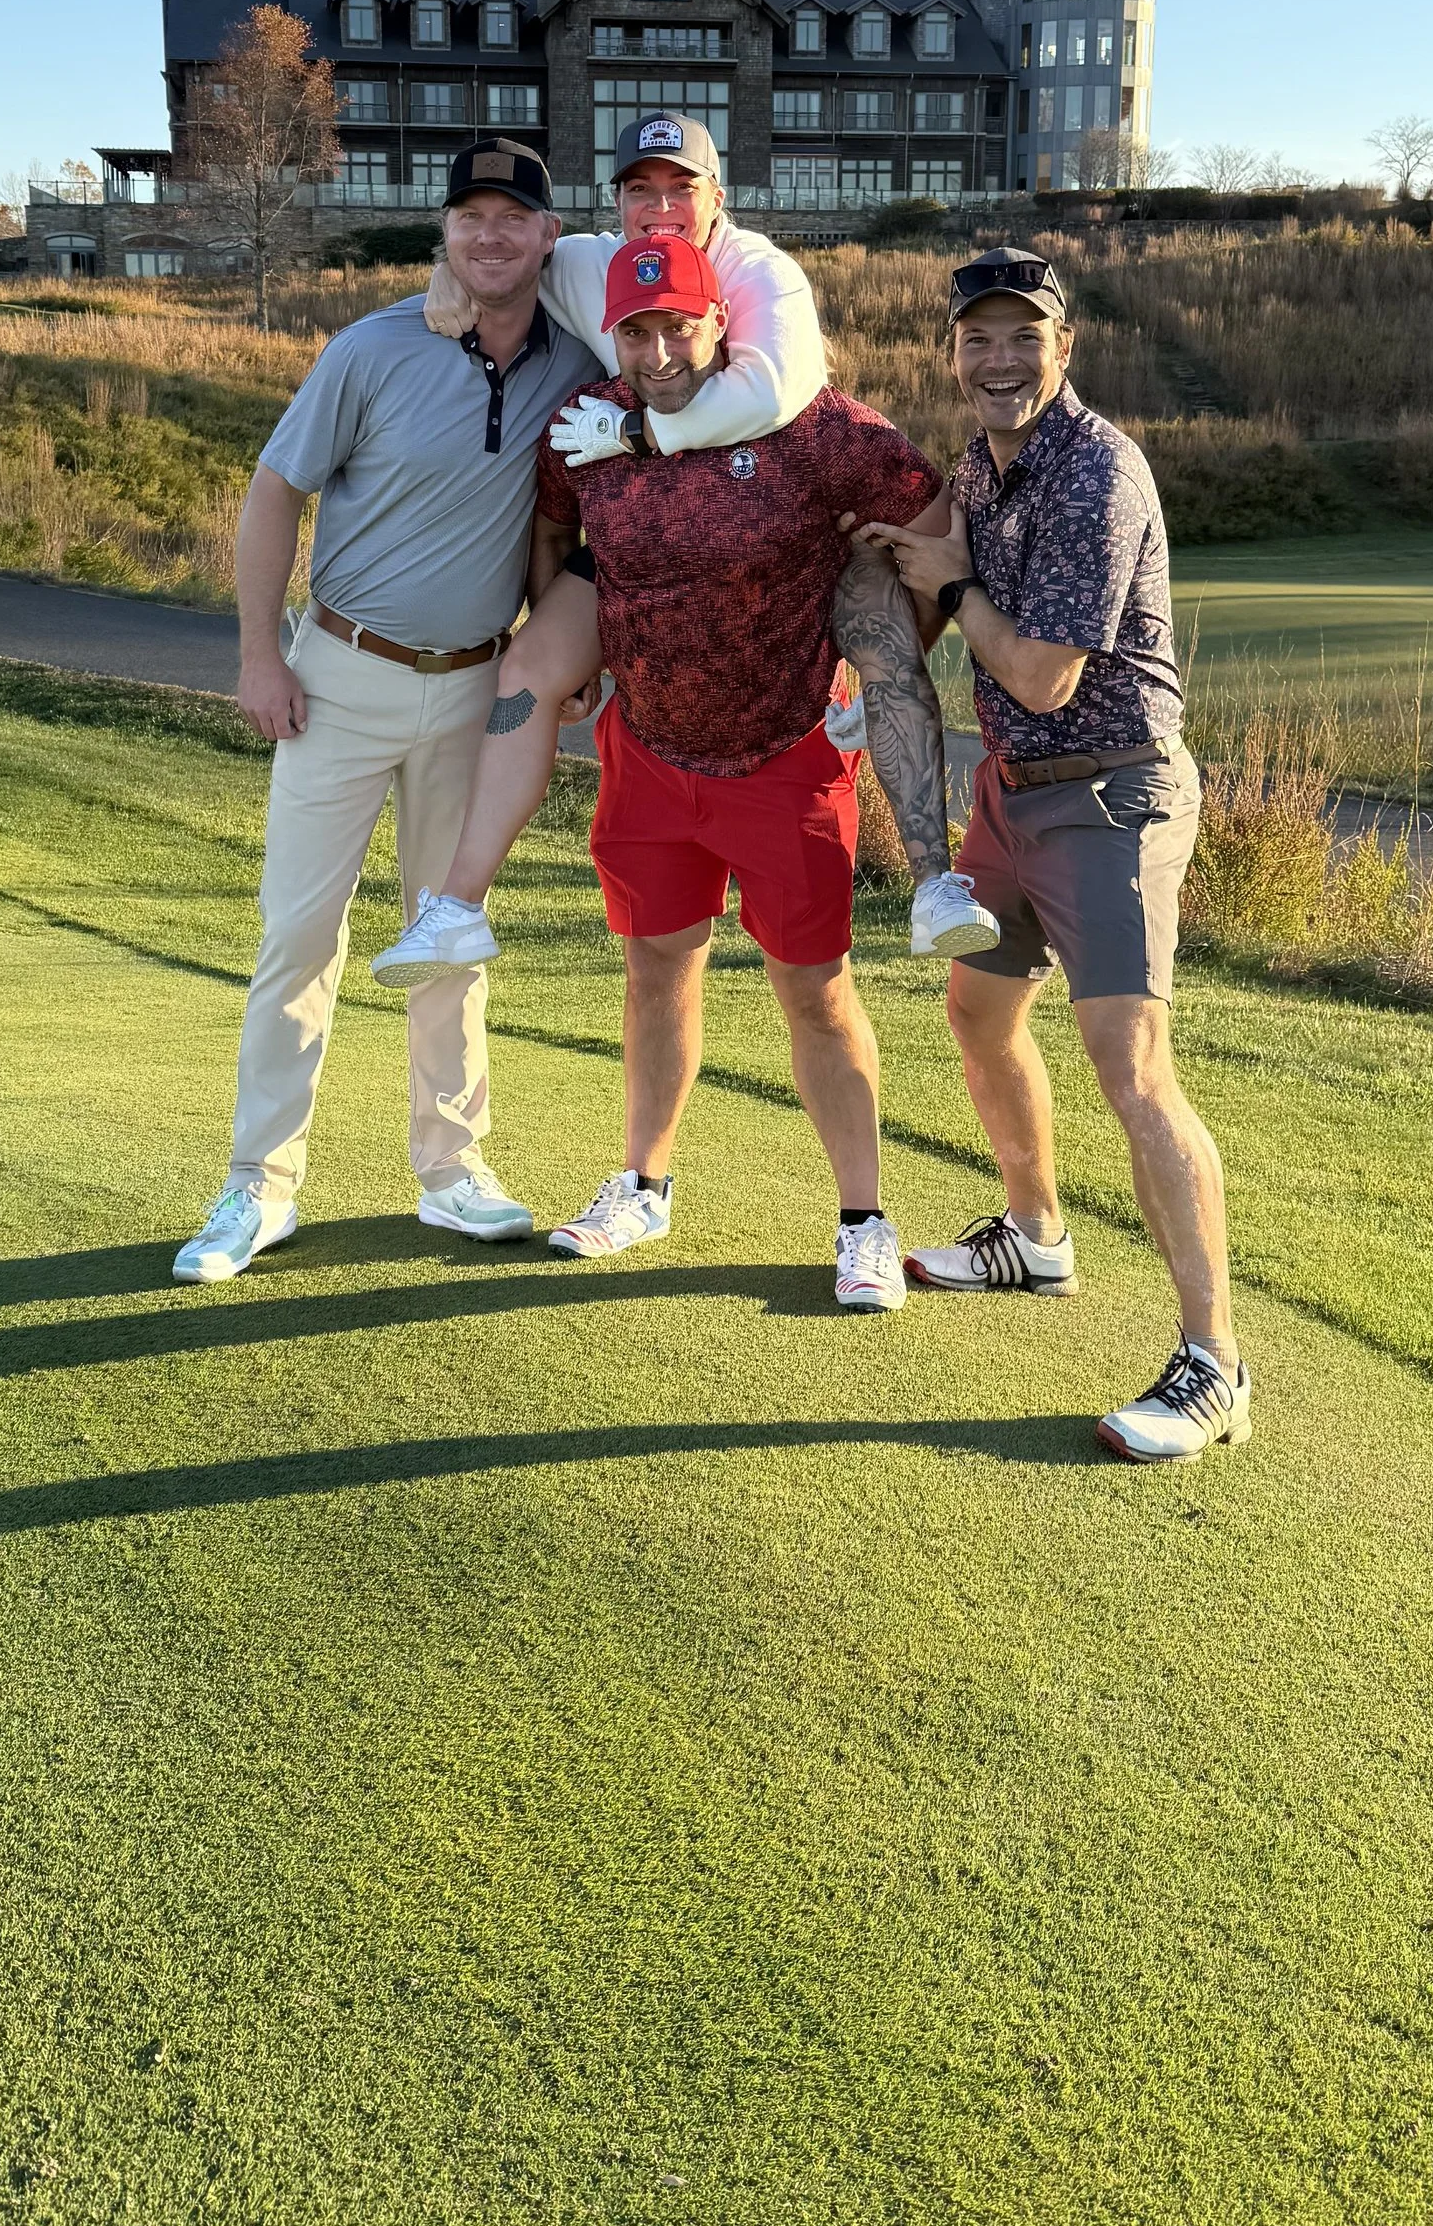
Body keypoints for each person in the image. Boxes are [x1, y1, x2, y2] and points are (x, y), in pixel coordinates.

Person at [372, 108, 994, 981]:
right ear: (614, 203)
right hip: (637, 562)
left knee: (884, 639)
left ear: (718, 203)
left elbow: (778, 389)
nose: (659, 207)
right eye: (641, 190)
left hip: (786, 558)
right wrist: (448, 272)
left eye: (681, 189)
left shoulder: (759, 278)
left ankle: (935, 884)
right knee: (523, 675)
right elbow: (505, 249)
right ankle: (458, 907)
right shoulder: (588, 268)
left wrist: (642, 438)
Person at [171, 142, 599, 1284]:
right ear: (444, 233)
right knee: (297, 939)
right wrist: (261, 654)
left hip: (477, 688)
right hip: (339, 677)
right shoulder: (371, 347)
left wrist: (565, 650)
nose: (490, 236)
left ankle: (452, 1176)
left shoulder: (578, 363)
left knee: (446, 938)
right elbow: (274, 493)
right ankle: (258, 1188)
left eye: (514, 218)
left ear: (549, 238)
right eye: (470, 217)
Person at [857, 245, 1250, 1460]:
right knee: (977, 1012)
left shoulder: (1097, 474)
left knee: (1130, 1071)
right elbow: (911, 582)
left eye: (1022, 335)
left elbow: (1037, 670)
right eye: (976, 338)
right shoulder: (977, 466)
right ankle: (1036, 1237)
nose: (997, 357)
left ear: (1062, 349)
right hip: (1014, 790)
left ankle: (1214, 1366)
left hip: (1114, 795)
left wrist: (955, 580)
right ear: (953, 354)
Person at [526, 231, 948, 1312]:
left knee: (812, 990)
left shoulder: (808, 425)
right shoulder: (585, 426)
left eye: (680, 324)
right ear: (612, 333)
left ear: (721, 324)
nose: (659, 348)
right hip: (648, 754)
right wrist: (568, 646)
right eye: (638, 328)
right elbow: (553, 527)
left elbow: (930, 510)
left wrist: (889, 651)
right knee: (656, 969)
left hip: (785, 758)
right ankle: (643, 1183)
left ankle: (863, 1219)